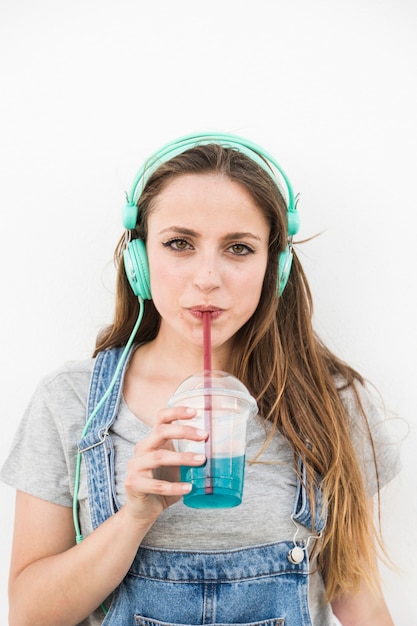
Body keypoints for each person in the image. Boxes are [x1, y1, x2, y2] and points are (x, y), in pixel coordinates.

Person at [1, 132, 400, 626]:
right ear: (140, 262)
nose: (207, 277)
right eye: (179, 244)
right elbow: (29, 615)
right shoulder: (71, 401)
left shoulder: (332, 404)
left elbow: (361, 602)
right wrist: (135, 517)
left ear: (275, 270)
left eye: (238, 247)